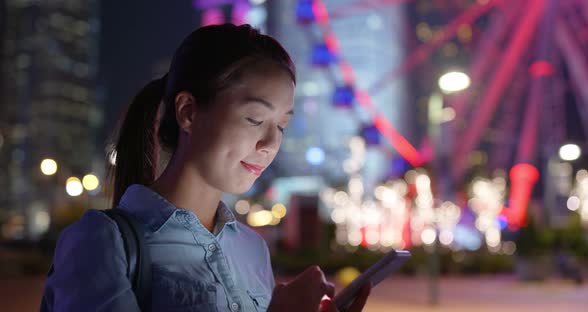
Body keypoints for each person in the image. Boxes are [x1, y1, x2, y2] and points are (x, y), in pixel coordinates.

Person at [41, 23, 370, 311]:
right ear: (188, 112)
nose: (270, 143)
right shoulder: (100, 242)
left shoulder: (252, 249)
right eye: (255, 119)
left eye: (281, 125)